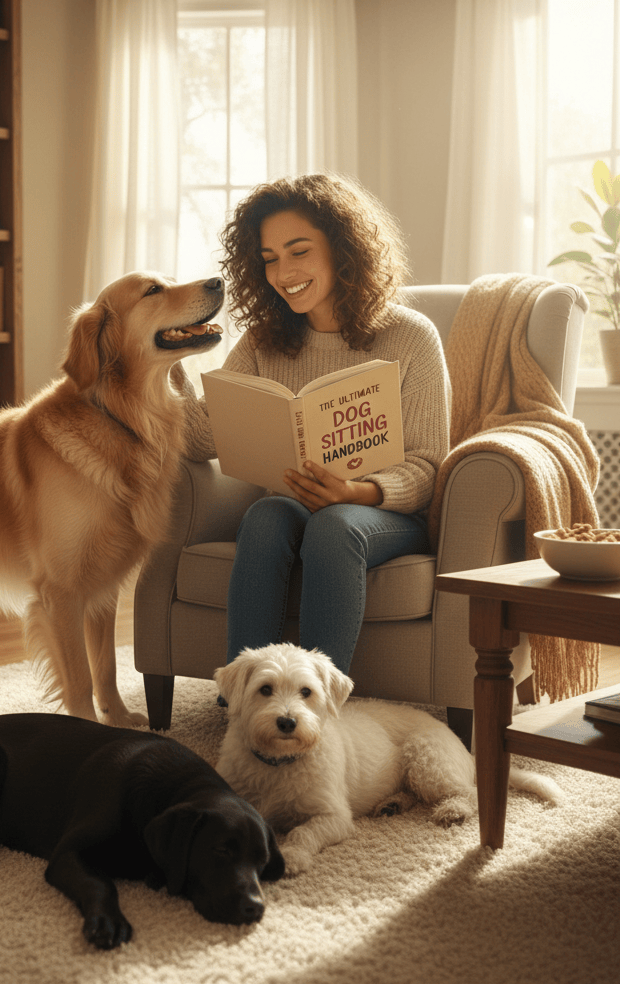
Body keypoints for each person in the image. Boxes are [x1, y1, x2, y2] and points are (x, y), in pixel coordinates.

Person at [175, 172, 451, 678]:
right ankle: (243, 697)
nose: (283, 272)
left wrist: (356, 490)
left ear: (343, 249)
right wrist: (169, 356)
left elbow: (429, 467)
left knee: (333, 525)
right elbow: (198, 437)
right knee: (264, 517)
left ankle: (320, 707)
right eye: (270, 258)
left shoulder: (411, 337)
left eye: (298, 251)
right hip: (291, 504)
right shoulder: (262, 342)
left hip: (381, 515)